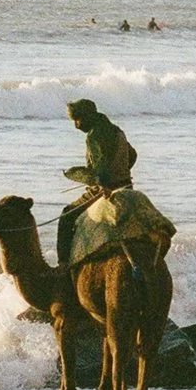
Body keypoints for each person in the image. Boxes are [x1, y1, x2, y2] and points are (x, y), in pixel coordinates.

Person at [57, 98, 136, 267]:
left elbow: (100, 171)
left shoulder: (94, 136)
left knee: (66, 216)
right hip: (127, 187)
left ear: (87, 117)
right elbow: (133, 155)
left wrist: (97, 182)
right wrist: (121, 171)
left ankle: (64, 266)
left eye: (77, 120)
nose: (76, 125)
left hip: (106, 190)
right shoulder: (117, 130)